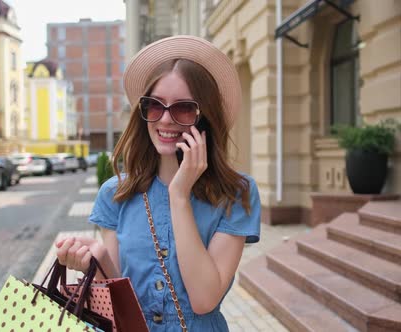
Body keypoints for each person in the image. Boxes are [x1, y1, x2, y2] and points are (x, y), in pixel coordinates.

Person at [56, 35, 261, 331]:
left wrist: (179, 195)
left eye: (183, 108)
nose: (165, 120)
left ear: (204, 118)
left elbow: (204, 299)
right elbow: (118, 304)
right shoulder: (115, 194)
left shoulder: (236, 194)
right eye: (155, 106)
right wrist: (96, 260)